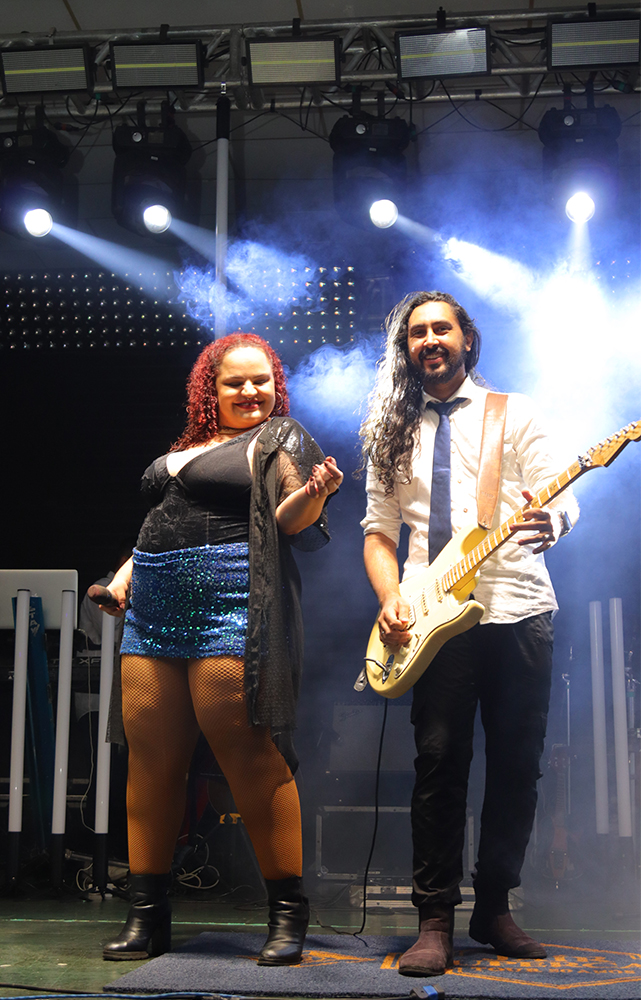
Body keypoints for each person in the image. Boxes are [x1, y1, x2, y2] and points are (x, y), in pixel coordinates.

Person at [90, 333, 342, 966]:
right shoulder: (188, 448)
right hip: (153, 604)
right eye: (235, 383)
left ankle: (287, 915)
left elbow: (288, 520)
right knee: (150, 762)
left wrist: (315, 493)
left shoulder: (280, 436)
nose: (251, 391)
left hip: (229, 598)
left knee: (249, 755)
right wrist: (121, 581)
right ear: (212, 389)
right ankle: (147, 916)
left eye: (261, 380)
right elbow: (156, 526)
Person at [359, 291, 578, 977]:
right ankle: (433, 920)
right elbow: (378, 531)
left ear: (466, 340)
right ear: (406, 350)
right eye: (417, 332)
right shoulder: (390, 431)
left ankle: (494, 907)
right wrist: (391, 597)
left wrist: (552, 521)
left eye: (441, 328)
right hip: (432, 619)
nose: (430, 339)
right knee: (438, 763)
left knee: (517, 766)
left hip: (518, 606)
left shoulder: (515, 412)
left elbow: (561, 490)